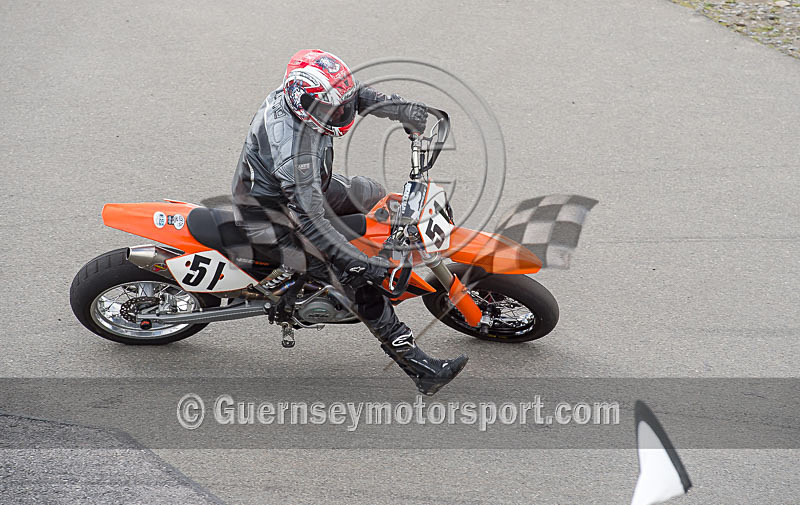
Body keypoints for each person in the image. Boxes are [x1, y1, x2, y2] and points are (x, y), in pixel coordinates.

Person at [231, 49, 468, 395]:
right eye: (333, 108)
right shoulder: (293, 148)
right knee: (355, 279)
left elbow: (354, 96)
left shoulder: (311, 101)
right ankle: (420, 367)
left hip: (309, 188)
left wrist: (400, 109)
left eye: (338, 105)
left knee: (369, 193)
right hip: (272, 216)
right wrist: (355, 261)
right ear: (305, 103)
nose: (341, 112)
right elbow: (310, 221)